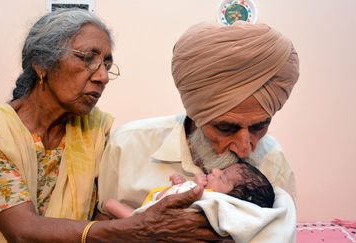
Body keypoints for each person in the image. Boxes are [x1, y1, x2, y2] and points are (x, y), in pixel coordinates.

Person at [0, 9, 220, 243]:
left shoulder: (97, 130)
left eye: (107, 64)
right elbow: (21, 230)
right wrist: (140, 229)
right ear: (41, 64)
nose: (103, 77)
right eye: (88, 59)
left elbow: (102, 211)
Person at [98, 21, 300, 242]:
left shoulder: (273, 159)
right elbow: (102, 223)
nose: (244, 149)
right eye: (225, 128)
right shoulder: (128, 144)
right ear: (197, 115)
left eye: (259, 126)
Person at [104, 161, 275, 219]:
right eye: (222, 170)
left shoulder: (211, 202)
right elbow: (178, 195)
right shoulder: (202, 192)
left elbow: (188, 201)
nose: (215, 171)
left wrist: (198, 185)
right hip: (150, 207)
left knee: (111, 205)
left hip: (144, 218)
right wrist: (177, 184)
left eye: (222, 177)